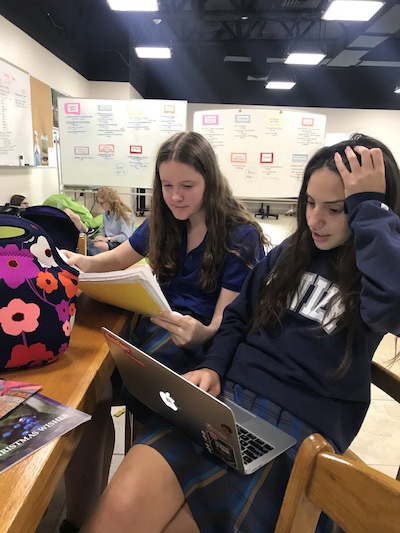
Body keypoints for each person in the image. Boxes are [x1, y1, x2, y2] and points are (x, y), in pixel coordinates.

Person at [79, 134, 400, 533]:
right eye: (310, 203)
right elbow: (236, 317)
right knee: (118, 510)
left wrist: (371, 209)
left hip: (299, 429)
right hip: (228, 406)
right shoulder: (290, 252)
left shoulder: (378, 266)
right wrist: (213, 366)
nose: (314, 220)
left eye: (336, 209)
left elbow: (392, 306)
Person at [60, 131, 269, 532]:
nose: (176, 196)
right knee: (93, 392)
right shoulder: (164, 219)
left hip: (195, 347)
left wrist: (200, 333)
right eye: (167, 185)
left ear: (210, 179)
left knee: (144, 395)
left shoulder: (239, 235)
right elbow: (116, 259)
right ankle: (78, 516)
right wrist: (78, 264)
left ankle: (136, 493)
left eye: (187, 186)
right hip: (156, 330)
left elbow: (225, 325)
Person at [86, 187, 135, 255]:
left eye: (102, 203)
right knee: (93, 244)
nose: (101, 206)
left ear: (109, 201)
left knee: (97, 246)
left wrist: (108, 239)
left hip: (121, 244)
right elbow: (104, 230)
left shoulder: (124, 214)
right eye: (99, 203)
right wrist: (101, 237)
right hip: (110, 242)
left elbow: (126, 237)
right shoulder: (106, 214)